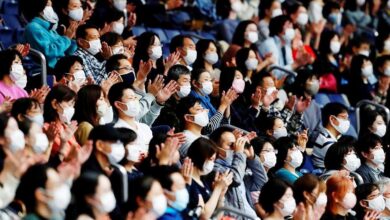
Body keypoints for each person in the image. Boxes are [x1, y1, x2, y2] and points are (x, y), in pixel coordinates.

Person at [209, 127, 267, 218]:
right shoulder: (214, 169)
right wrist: (239, 153)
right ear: (217, 150)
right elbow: (235, 179)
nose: (235, 148)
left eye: (236, 144)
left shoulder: (239, 168)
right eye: (231, 145)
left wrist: (252, 158)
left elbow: (262, 183)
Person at [20, 0, 78, 69]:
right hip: (50, 71)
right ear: (39, 8)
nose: (51, 9)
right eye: (48, 5)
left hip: (61, 67)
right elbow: (49, 52)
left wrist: (72, 38)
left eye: (51, 5)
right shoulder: (33, 28)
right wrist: (66, 38)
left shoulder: (49, 29)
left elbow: (68, 51)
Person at [186, 137, 233, 220]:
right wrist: (217, 189)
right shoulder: (188, 180)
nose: (212, 163)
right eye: (211, 159)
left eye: (214, 160)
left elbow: (217, 216)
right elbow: (203, 216)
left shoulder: (204, 182)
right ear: (200, 156)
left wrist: (221, 196)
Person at [108, 82, 153, 154]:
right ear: (118, 104)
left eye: (135, 97)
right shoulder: (117, 131)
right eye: (131, 98)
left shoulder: (145, 128)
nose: (135, 101)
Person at [43, 85, 79, 158]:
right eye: (69, 104)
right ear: (55, 104)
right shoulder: (47, 129)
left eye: (73, 106)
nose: (71, 109)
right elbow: (66, 155)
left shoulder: (65, 126)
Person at [153, 65, 192, 130]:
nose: (188, 85)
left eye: (189, 81)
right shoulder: (164, 105)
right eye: (185, 81)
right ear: (173, 83)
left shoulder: (187, 102)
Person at [312, 102, 350, 169]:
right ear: (332, 119)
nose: (347, 122)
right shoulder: (325, 142)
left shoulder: (330, 137)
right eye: (344, 118)